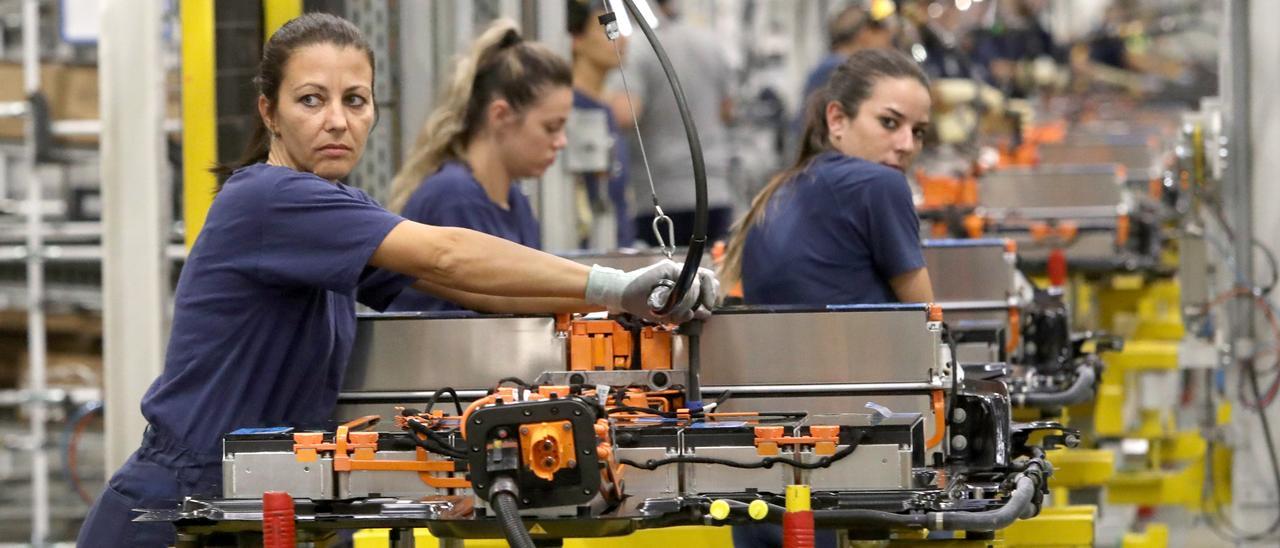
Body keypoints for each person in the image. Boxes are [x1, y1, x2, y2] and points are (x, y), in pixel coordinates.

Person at [78, 14, 717, 546]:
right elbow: (444, 256)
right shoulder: (270, 199)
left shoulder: (327, 207)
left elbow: (472, 291)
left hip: (261, 502)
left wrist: (641, 296)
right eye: (311, 100)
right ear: (269, 112)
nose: (337, 120)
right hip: (178, 509)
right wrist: (611, 285)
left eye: (355, 101)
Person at [722, 48, 934, 311]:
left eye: (919, 132)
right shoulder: (880, 184)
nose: (907, 144)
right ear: (837, 119)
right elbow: (928, 324)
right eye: (889, 123)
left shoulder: (779, 191)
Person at [384, 20, 570, 312]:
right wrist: (609, 291)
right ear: (500, 115)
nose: (562, 142)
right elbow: (508, 299)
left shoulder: (516, 202)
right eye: (551, 128)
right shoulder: (454, 197)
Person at [611, 0, 736, 247]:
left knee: (667, 281)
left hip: (661, 196)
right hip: (714, 191)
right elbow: (728, 110)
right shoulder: (711, 43)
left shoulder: (638, 46)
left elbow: (625, 114)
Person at [568, 0, 634, 248]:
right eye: (606, 29)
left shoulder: (606, 109)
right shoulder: (569, 109)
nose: (621, 41)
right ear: (576, 39)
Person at [800, 2, 899, 110]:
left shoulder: (835, 65)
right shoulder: (837, 69)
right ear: (865, 34)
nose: (889, 48)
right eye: (886, 39)